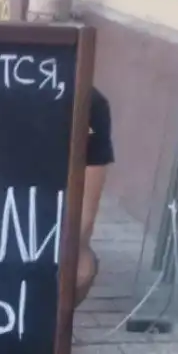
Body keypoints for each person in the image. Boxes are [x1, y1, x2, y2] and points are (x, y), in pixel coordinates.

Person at [76, 87, 115, 304]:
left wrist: (79, 246)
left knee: (83, 267)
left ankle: (57, 324)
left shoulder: (89, 102)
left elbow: (86, 211)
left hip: (44, 226)